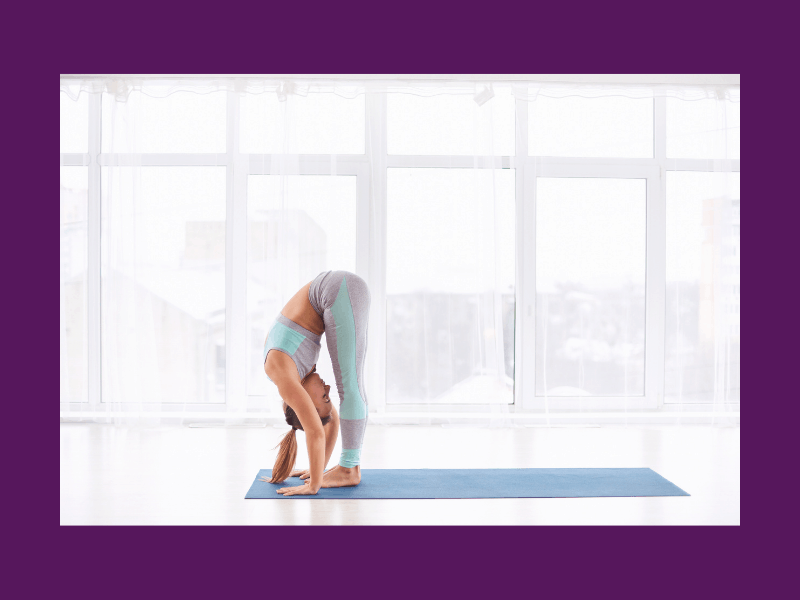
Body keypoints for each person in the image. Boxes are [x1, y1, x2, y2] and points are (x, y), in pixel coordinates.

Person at [260, 270, 371, 496]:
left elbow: (316, 432)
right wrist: (317, 469)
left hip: (338, 290)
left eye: (324, 397)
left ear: (305, 401)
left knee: (350, 388)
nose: (327, 389)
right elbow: (332, 421)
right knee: (349, 387)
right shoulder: (296, 375)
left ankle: (349, 470)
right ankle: (347, 468)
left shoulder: (283, 373)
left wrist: (314, 485)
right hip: (339, 290)